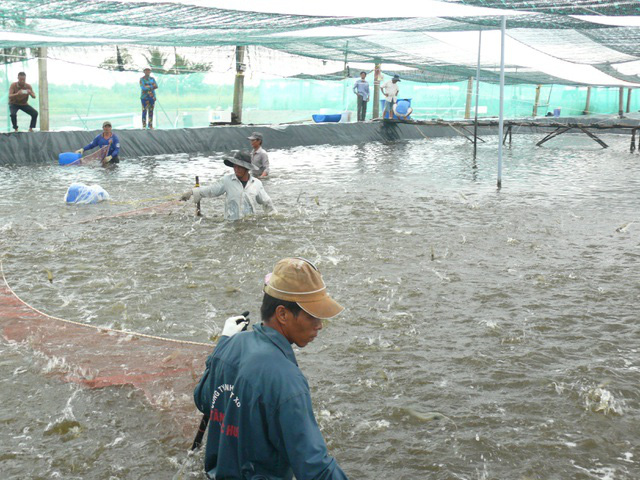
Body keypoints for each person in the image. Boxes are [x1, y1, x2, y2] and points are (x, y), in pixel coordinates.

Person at [194, 257, 349, 480]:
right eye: (312, 315)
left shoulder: (229, 346)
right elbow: (316, 469)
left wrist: (222, 343)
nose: (319, 325)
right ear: (282, 314)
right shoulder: (286, 381)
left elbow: (203, 399)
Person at [181, 151, 276, 220]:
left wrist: (273, 217)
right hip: (231, 223)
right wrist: (192, 192)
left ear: (247, 168)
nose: (236, 169)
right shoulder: (227, 181)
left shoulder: (256, 183)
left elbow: (266, 202)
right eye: (235, 166)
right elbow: (211, 190)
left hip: (250, 223)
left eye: (240, 167)